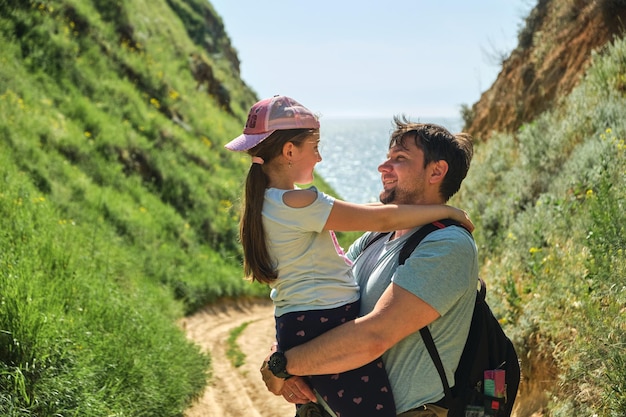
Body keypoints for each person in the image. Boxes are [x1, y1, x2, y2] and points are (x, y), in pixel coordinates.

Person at [225, 96, 474, 417]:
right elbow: (325, 311)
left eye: (398, 158)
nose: (382, 167)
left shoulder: (447, 244)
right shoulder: (376, 238)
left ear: (437, 171)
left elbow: (372, 337)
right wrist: (284, 360)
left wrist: (283, 364)